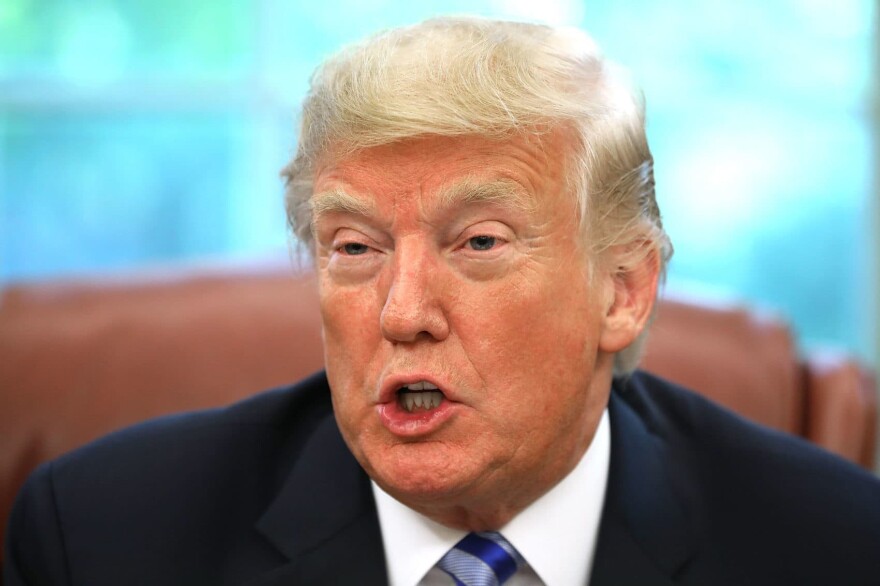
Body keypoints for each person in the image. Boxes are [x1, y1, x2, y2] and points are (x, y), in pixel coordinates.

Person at [5, 16, 880, 586]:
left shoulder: (832, 547)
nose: (401, 312)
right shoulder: (103, 540)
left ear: (623, 289)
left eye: (480, 243)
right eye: (355, 248)